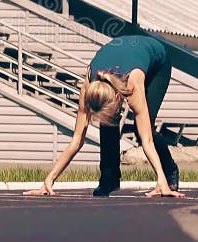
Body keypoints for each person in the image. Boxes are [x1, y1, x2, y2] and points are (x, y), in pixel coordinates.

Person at [25, 35, 184, 198]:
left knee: (143, 128)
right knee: (109, 123)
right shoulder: (89, 90)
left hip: (157, 61)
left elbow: (147, 140)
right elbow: (76, 140)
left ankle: (169, 169)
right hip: (124, 52)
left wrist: (161, 181)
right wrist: (48, 181)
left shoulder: (133, 83)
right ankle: (109, 179)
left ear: (117, 97)